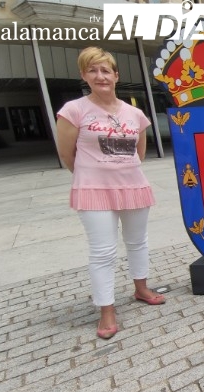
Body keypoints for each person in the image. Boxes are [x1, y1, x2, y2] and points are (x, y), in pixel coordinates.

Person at [56, 47, 165, 340]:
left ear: (116, 75)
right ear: (84, 75)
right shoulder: (73, 110)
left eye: (105, 70)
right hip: (93, 190)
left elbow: (139, 153)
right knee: (103, 252)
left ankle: (141, 288)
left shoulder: (136, 114)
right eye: (92, 70)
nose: (100, 76)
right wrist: (92, 174)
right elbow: (67, 155)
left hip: (133, 186)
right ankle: (106, 308)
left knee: (137, 242)